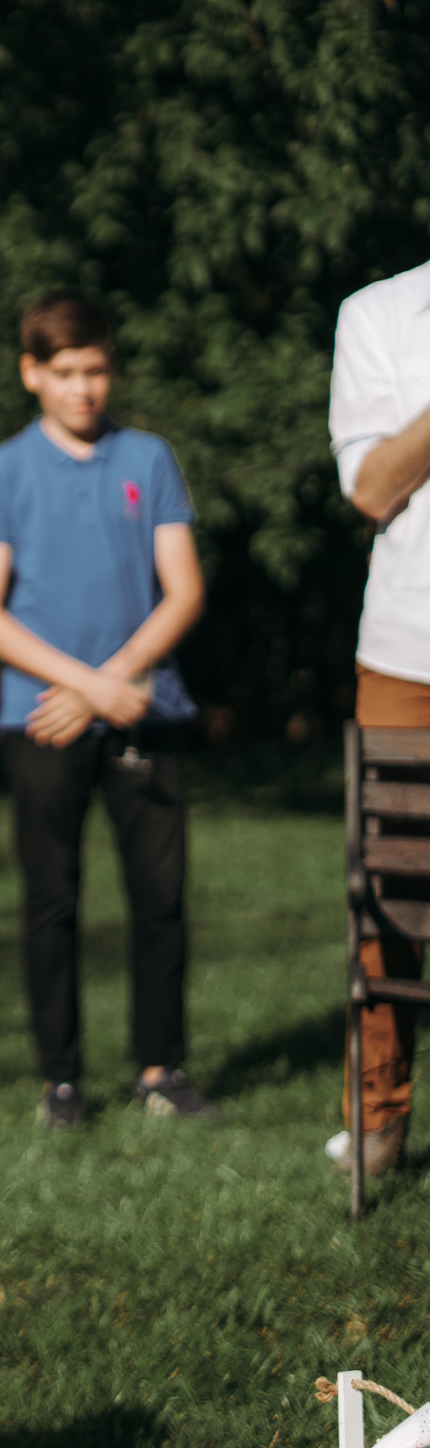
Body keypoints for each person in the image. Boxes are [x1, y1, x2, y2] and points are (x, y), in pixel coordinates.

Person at [0, 292, 212, 1132]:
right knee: (51, 901)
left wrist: (116, 682)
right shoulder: (2, 471)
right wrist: (83, 687)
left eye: (96, 370)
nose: (83, 389)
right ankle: (61, 1084)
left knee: (160, 899)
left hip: (148, 710)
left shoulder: (150, 459)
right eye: (65, 373)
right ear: (31, 372)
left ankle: (160, 1071)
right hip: (40, 721)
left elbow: (183, 590)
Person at [325, 254, 430, 1177]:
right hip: (409, 652)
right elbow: (371, 488)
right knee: (391, 897)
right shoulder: (379, 314)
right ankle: (380, 1123)